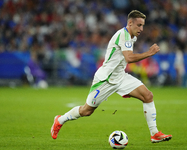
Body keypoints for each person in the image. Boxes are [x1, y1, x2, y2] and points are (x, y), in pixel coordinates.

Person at [51, 10, 172, 143]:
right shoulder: (123, 35)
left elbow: (124, 58)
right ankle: (60, 120)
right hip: (105, 80)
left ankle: (154, 133)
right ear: (130, 23)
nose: (141, 29)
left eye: (143, 25)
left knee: (148, 96)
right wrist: (149, 53)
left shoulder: (132, 36)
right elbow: (129, 58)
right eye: (139, 25)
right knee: (86, 111)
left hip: (120, 77)